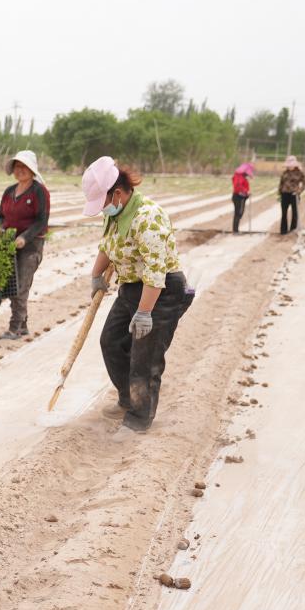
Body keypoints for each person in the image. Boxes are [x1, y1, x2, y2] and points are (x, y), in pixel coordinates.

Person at [82, 157, 193, 433]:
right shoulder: (115, 214)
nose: (102, 208)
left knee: (144, 358)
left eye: (103, 201)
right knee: (110, 341)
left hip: (161, 291)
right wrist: (97, 275)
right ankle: (127, 398)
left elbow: (156, 271)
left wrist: (145, 313)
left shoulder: (148, 216)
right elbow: (107, 246)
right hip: (131, 287)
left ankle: (139, 419)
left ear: (117, 192)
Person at [0, 150, 50, 339]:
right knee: (12, 285)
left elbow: (41, 220)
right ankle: (23, 325)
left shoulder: (39, 191)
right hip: (9, 244)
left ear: (32, 170)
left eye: (24, 167)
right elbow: (1, 216)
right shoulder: (9, 191)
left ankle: (15, 328)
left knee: (21, 287)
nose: (20, 170)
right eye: (17, 167)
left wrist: (25, 238)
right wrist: (0, 229)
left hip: (31, 245)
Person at [278, 156, 305, 235]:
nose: (290, 166)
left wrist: (299, 191)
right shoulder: (284, 173)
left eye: (291, 164)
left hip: (294, 194)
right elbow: (281, 183)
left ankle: (293, 229)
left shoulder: (299, 173)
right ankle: (283, 230)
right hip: (284, 194)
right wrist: (279, 193)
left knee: (295, 212)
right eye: (288, 164)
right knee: (284, 213)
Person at [231, 162, 253, 233]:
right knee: (238, 213)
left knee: (239, 213)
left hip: (240, 197)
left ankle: (236, 230)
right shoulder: (239, 177)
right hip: (238, 197)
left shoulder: (240, 177)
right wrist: (246, 191)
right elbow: (238, 187)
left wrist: (247, 194)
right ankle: (235, 230)